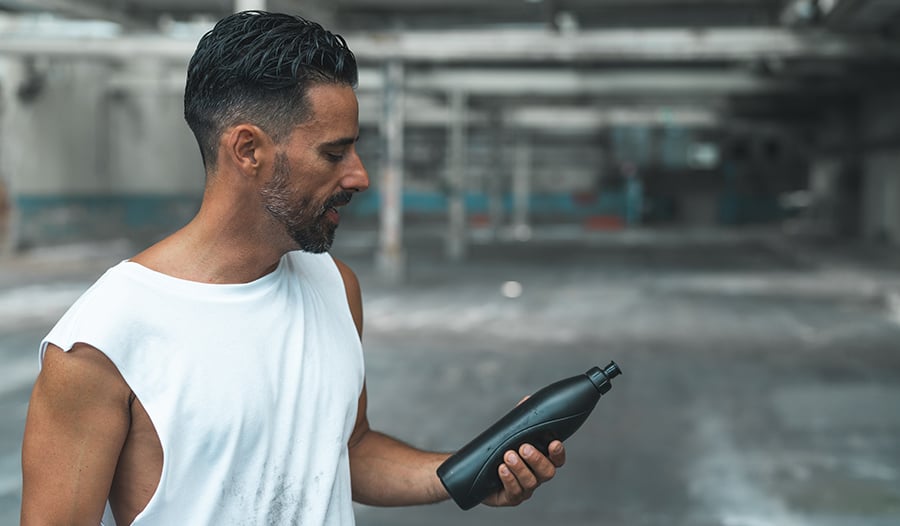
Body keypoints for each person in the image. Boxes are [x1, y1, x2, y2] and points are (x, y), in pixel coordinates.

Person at [20, 10, 565, 526]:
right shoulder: (101, 343)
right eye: (334, 154)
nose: (359, 176)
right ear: (248, 150)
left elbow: (344, 449)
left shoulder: (334, 287)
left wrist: (470, 470)